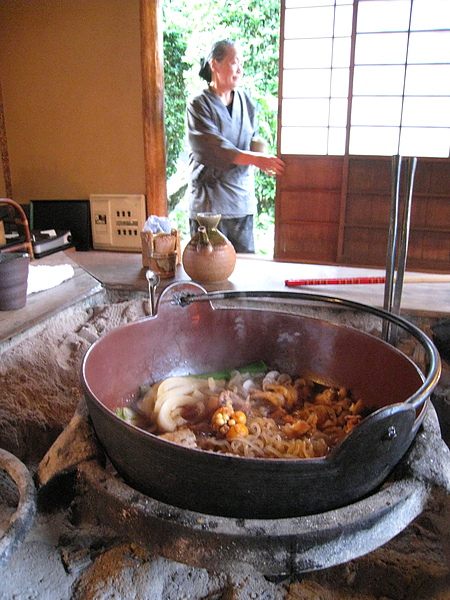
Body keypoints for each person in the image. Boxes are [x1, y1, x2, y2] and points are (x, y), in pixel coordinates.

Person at [186, 39, 285, 253]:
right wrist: (256, 159)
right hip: (209, 207)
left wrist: (264, 159)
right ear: (214, 65)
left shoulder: (246, 101)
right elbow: (214, 149)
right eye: (234, 63)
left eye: (241, 64)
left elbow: (254, 140)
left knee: (245, 274)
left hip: (241, 202)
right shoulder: (198, 105)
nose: (239, 70)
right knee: (208, 273)